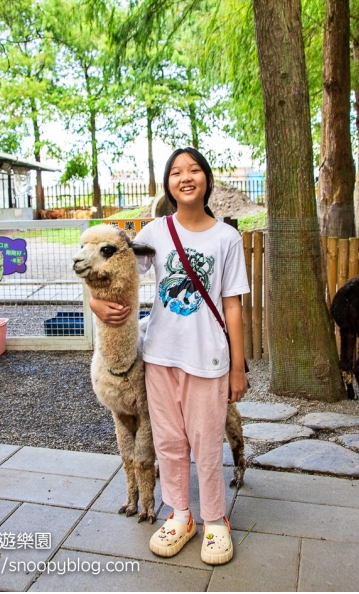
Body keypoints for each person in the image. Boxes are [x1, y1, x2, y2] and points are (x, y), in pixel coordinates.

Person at [89, 147, 249, 565]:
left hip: (208, 361)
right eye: (176, 172)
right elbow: (115, 271)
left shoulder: (225, 238)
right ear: (168, 184)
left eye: (194, 169)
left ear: (207, 180)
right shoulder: (157, 232)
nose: (186, 177)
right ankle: (180, 514)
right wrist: (95, 304)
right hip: (160, 357)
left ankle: (216, 519)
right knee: (170, 442)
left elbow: (232, 305)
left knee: (206, 443)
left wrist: (237, 367)